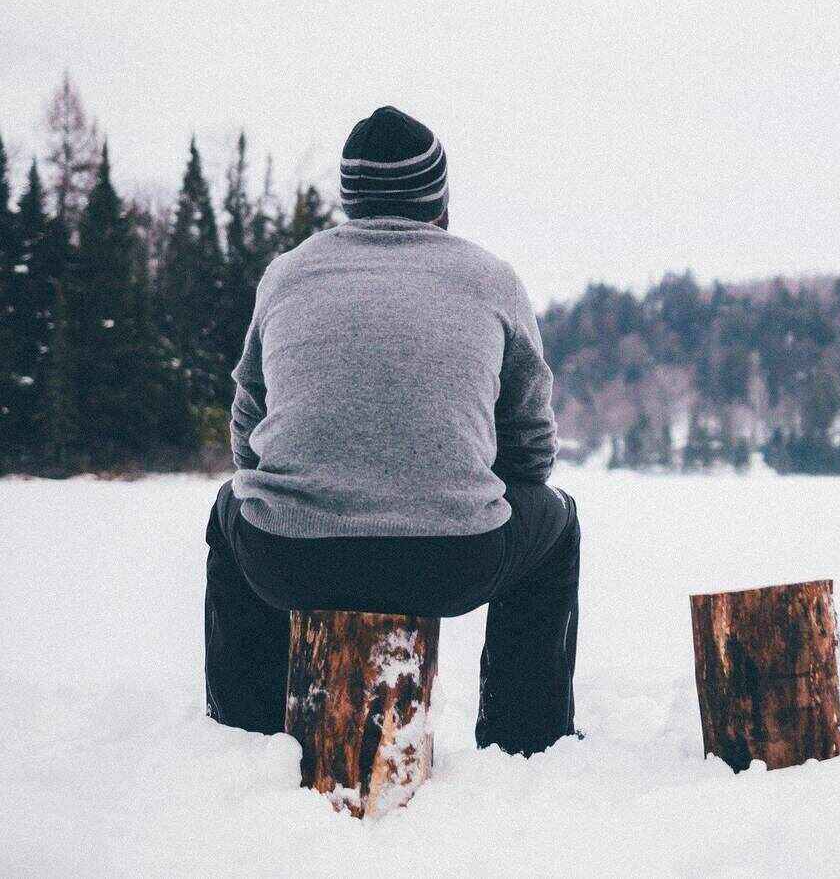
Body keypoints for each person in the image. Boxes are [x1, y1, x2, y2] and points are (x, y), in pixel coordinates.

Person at [203, 105, 579, 757]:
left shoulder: (289, 273)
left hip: (292, 558)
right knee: (555, 521)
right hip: (450, 561)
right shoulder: (490, 278)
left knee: (233, 508)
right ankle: (525, 738)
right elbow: (531, 444)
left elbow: (248, 427)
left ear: (350, 198)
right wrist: (447, 485)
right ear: (438, 197)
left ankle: (246, 735)